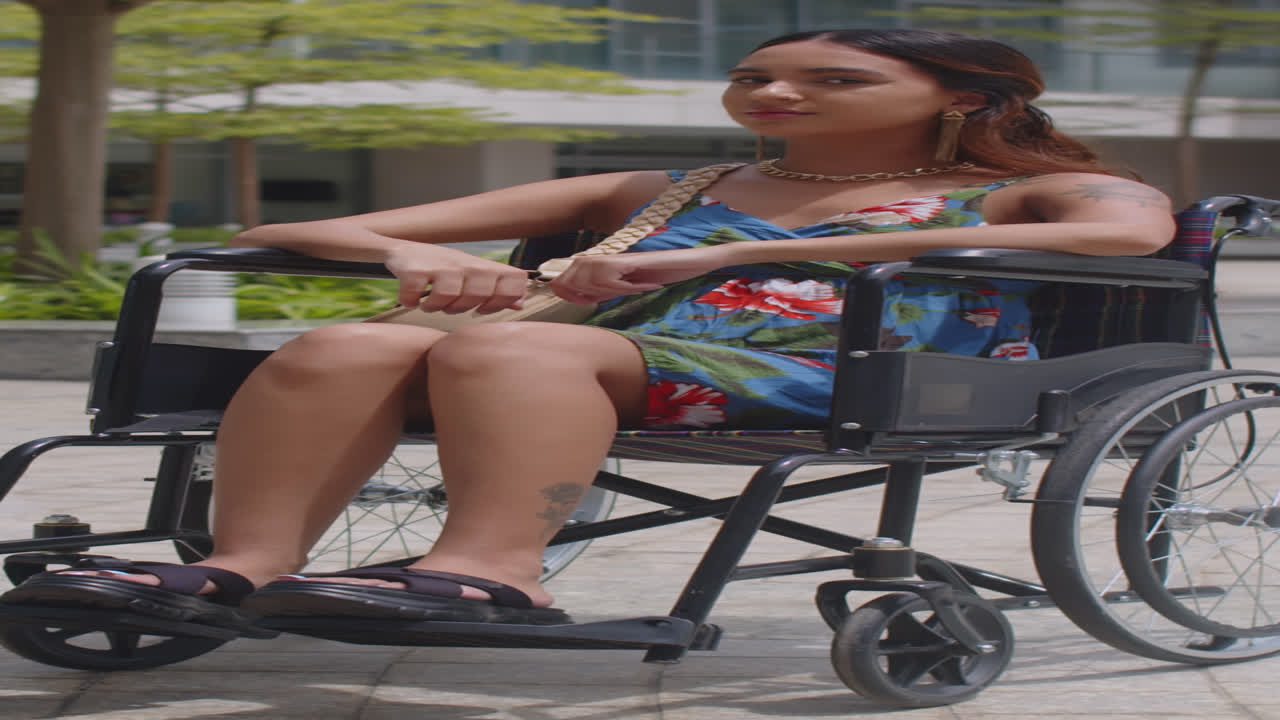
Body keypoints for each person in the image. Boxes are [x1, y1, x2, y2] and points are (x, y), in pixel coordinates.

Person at [1, 28, 1175, 628]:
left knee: (518, 343)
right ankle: (239, 566)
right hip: (596, 362)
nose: (773, 96)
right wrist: (415, 254)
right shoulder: (646, 188)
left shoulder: (1007, 191)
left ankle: (495, 575)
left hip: (849, 373)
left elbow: (1134, 233)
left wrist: (749, 254)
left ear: (959, 98)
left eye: (827, 83)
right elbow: (314, 234)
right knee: (347, 342)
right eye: (757, 77)